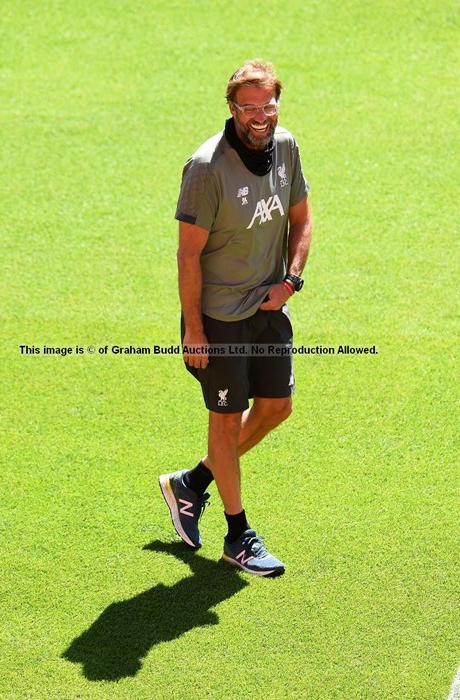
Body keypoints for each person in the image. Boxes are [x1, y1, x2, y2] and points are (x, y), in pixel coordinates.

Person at [159, 59, 312, 577]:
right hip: (220, 317)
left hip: (269, 307)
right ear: (232, 108)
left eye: (268, 104)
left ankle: (193, 482)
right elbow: (186, 256)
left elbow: (302, 217)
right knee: (224, 422)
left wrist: (291, 279)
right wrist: (195, 331)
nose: (260, 116)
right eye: (249, 107)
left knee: (277, 408)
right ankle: (237, 535)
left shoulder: (287, 146)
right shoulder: (206, 167)